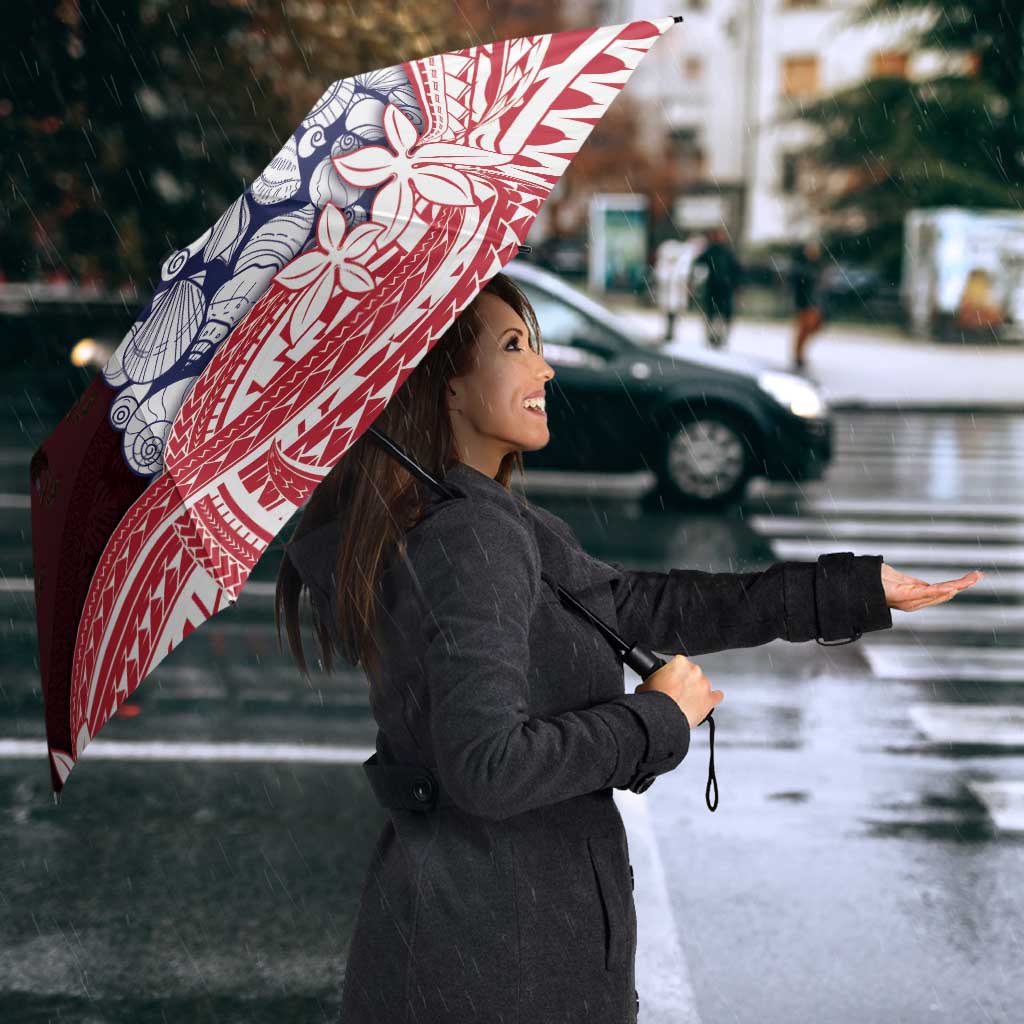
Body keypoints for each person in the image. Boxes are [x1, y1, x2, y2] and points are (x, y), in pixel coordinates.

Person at [275, 271, 972, 1024]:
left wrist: (850, 592)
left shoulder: (473, 517)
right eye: (515, 346)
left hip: (480, 942)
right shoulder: (468, 536)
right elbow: (488, 767)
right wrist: (657, 719)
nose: (544, 368)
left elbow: (638, 605)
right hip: (498, 963)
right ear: (445, 385)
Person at [692, 226, 742, 349]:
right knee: (713, 314)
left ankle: (719, 337)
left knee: (720, 315)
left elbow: (736, 270)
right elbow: (698, 264)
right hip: (715, 288)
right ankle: (713, 337)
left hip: (723, 288)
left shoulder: (725, 252)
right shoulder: (712, 251)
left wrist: (735, 284)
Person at [790, 239, 826, 370]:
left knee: (812, 328)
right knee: (804, 329)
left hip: (814, 303)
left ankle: (799, 354)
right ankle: (798, 355)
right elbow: (799, 286)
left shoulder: (817, 266)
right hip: (805, 303)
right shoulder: (802, 267)